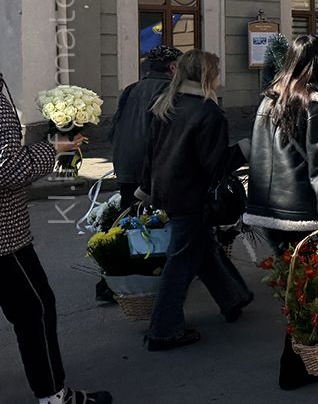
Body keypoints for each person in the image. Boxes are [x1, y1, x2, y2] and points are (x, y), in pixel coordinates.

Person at [245, 35, 318, 390]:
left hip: (272, 211)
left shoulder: (269, 102)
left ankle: (303, 360)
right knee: (311, 292)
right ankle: (297, 365)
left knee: (295, 288)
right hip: (306, 214)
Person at [1, 74, 111, 404]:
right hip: (5, 240)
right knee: (35, 309)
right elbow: (6, 167)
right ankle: (54, 395)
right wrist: (54, 147)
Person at [139, 50, 254, 351]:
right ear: (207, 76)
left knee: (202, 250)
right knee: (181, 261)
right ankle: (163, 330)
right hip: (193, 197)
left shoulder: (167, 104)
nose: (219, 77)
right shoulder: (208, 112)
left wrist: (145, 189)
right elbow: (214, 165)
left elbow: (150, 153)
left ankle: (233, 299)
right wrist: (244, 150)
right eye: (217, 71)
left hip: (168, 192)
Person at [111, 45, 181, 209]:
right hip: (151, 169)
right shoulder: (171, 91)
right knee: (155, 226)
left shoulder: (131, 89)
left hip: (125, 165)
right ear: (173, 67)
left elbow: (117, 126)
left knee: (129, 220)